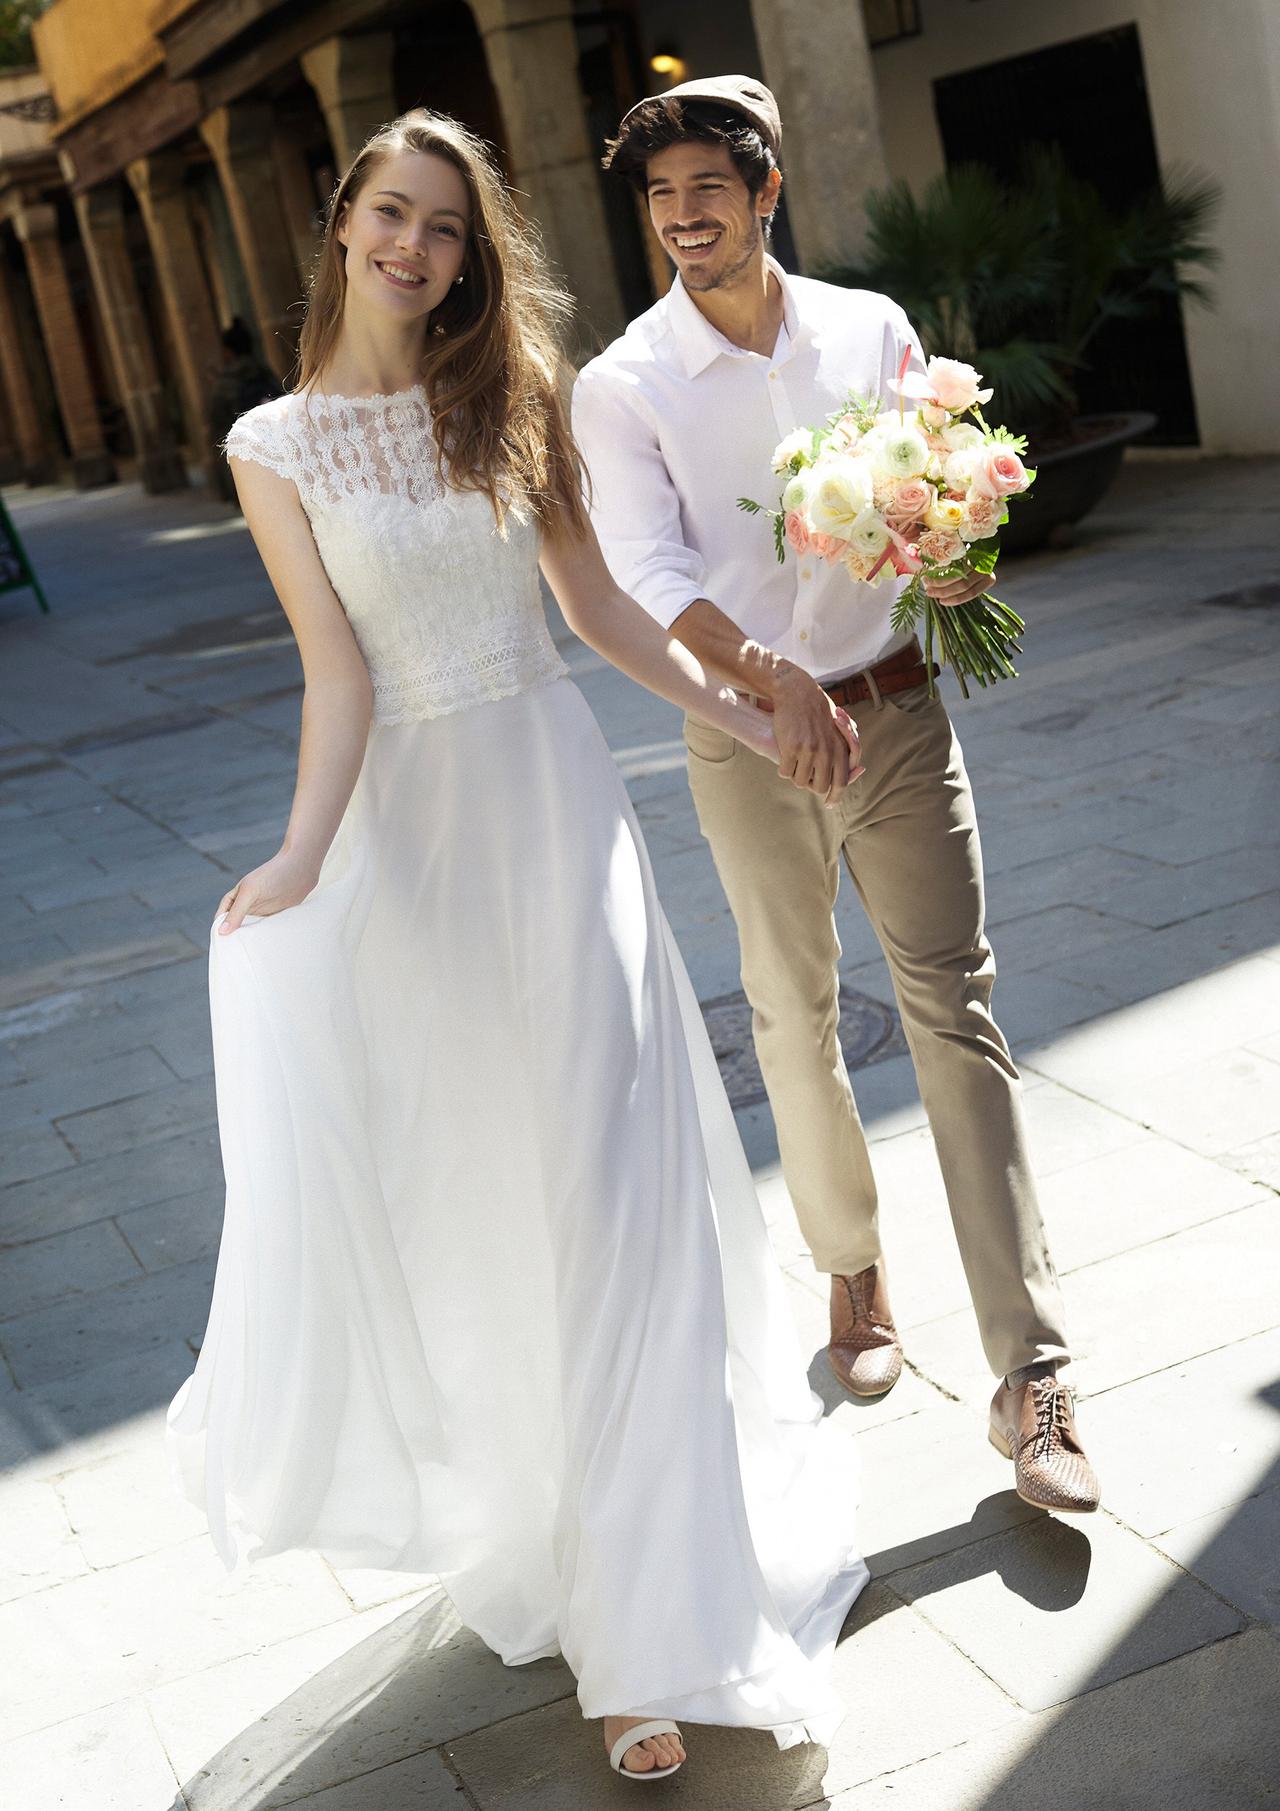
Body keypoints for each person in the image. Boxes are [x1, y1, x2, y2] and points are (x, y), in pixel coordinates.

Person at [166, 108, 871, 1784]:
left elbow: (602, 612)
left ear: (473, 253)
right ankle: (570, 1546)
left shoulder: (514, 398)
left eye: (450, 228)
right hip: (416, 850)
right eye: (394, 216)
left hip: (558, 826)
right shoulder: (273, 446)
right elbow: (337, 676)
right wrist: (297, 859)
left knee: (623, 1198)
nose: (420, 248)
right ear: (342, 226)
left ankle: (648, 1636)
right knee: (498, 1213)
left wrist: (746, 709)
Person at [573, 76, 1100, 1516]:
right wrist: (765, 679)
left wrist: (959, 552)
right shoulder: (624, 384)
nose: (685, 219)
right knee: (790, 1010)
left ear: (767, 191)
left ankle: (1031, 1369)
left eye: (708, 191)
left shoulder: (871, 332)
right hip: (746, 741)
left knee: (954, 1008)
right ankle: (853, 1272)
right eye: (661, 198)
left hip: (897, 721)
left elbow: (939, 483)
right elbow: (645, 574)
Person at [207, 317, 281, 504]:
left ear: (228, 352)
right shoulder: (266, 374)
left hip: (246, 467)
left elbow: (218, 430)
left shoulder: (225, 383)